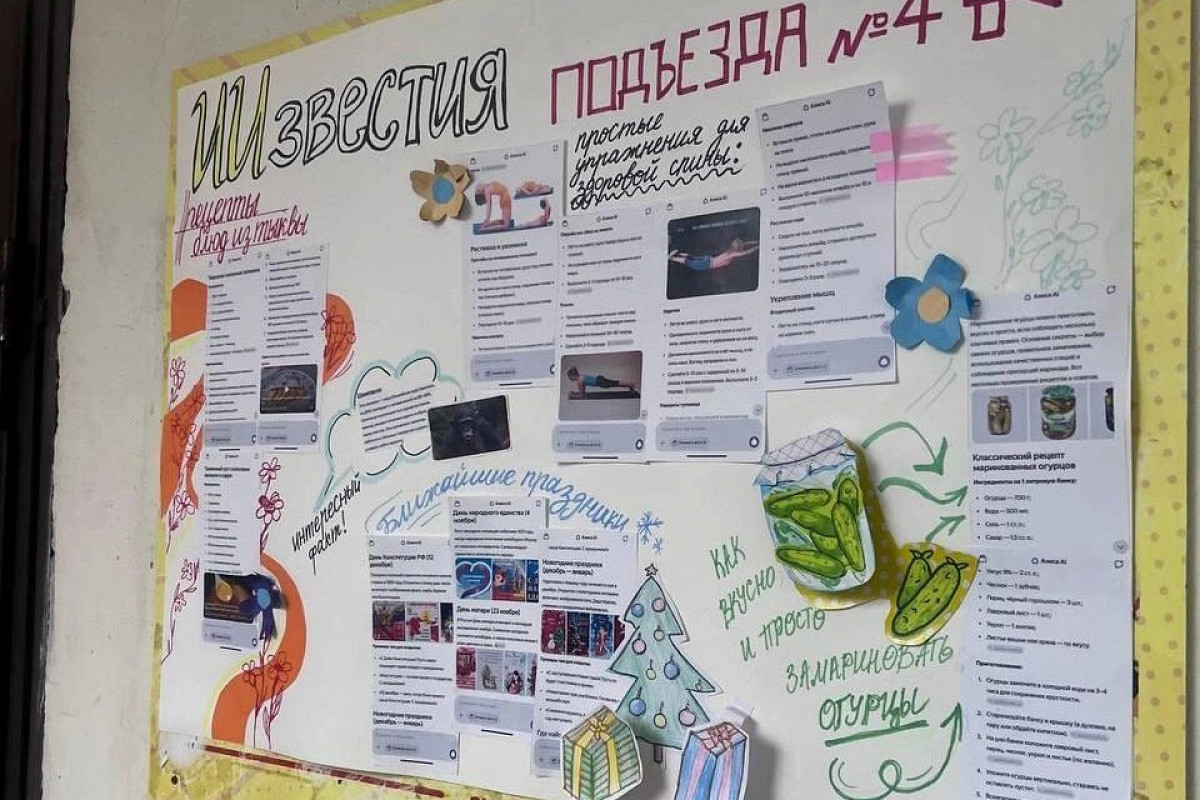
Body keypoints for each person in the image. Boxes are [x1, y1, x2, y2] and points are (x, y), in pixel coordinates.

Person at [670, 238, 760, 271]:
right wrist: (758, 247)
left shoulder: (729, 250)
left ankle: (677, 253)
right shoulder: (732, 254)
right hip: (708, 264)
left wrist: (754, 243)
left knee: (691, 257)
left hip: (708, 259)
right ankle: (671, 258)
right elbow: (746, 252)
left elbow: (742, 244)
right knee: (689, 262)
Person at [566, 366, 636, 397]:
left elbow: (582, 395)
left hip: (601, 383)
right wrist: (574, 392)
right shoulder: (581, 376)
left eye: (570, 377)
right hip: (599, 378)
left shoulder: (579, 381)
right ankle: (629, 385)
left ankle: (630, 384)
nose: (570, 378)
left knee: (615, 383)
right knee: (615, 382)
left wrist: (572, 395)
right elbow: (583, 391)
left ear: (573, 376)